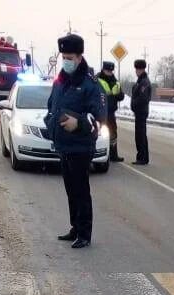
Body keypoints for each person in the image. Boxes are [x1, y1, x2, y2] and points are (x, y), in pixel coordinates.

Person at [45, 34, 106, 249]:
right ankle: (75, 228)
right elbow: (52, 106)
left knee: (81, 190)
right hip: (63, 146)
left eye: (70, 57)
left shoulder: (91, 85)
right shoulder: (60, 81)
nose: (66, 61)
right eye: (64, 56)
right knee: (70, 190)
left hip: (80, 147)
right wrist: (50, 122)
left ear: (80, 57)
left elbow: (98, 120)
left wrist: (77, 123)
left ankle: (85, 233)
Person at [97, 61, 125, 162]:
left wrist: (117, 96)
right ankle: (99, 154)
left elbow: (121, 95)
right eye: (108, 71)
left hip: (111, 112)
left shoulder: (115, 81)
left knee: (113, 134)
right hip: (100, 112)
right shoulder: (97, 80)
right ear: (103, 70)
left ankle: (113, 155)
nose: (110, 73)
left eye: (111, 71)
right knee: (99, 134)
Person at [131, 59, 152, 166]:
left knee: (141, 136)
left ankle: (142, 158)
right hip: (139, 112)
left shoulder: (144, 82)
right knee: (140, 135)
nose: (136, 71)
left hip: (141, 112)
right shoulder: (140, 80)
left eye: (138, 69)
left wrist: (134, 103)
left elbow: (143, 98)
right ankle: (142, 157)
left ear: (142, 69)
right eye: (136, 69)